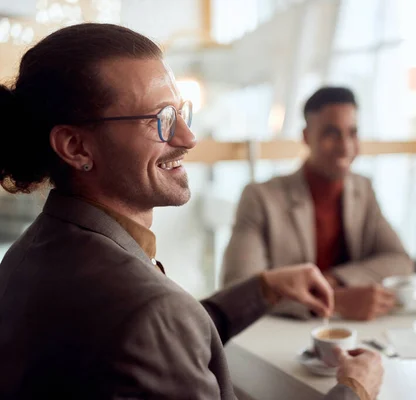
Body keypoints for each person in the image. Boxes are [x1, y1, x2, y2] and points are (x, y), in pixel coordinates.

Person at [0, 23, 383, 400]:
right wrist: (354, 391)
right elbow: (157, 326)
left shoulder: (26, 255)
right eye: (161, 119)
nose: (188, 138)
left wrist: (265, 288)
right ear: (75, 147)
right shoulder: (148, 309)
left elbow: (164, 339)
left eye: (182, 112)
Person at [222, 86, 414, 321]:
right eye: (331, 134)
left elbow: (401, 261)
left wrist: (334, 280)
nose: (345, 146)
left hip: (350, 333)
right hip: (279, 335)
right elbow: (239, 289)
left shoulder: (362, 190)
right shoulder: (260, 198)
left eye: (352, 133)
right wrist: (336, 300)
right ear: (305, 137)